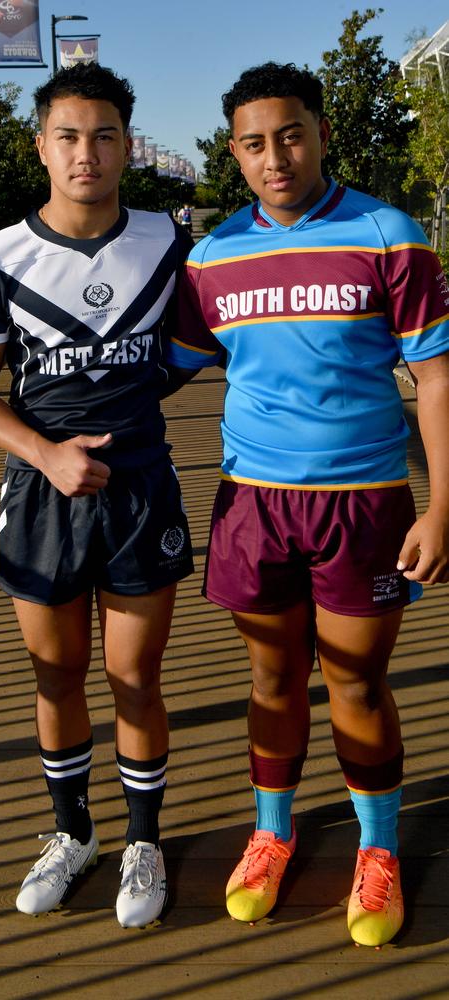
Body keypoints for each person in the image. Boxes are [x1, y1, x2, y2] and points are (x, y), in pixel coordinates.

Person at [165, 61, 449, 948]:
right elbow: (164, 368)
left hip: (365, 501)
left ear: (321, 133)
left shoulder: (386, 233)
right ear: (236, 154)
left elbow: (437, 376)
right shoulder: (210, 258)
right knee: (273, 678)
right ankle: (273, 831)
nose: (274, 157)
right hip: (254, 502)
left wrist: (442, 506)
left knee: (357, 681)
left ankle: (378, 850)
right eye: (253, 143)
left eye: (290, 134)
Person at [0, 62, 193, 929]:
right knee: (56, 675)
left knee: (135, 676)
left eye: (102, 136)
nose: (84, 153)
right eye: (67, 136)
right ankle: (71, 833)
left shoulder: (168, 241)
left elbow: (201, 343)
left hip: (141, 491)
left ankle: (142, 842)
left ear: (127, 145)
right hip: (43, 494)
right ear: (41, 145)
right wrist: (47, 455)